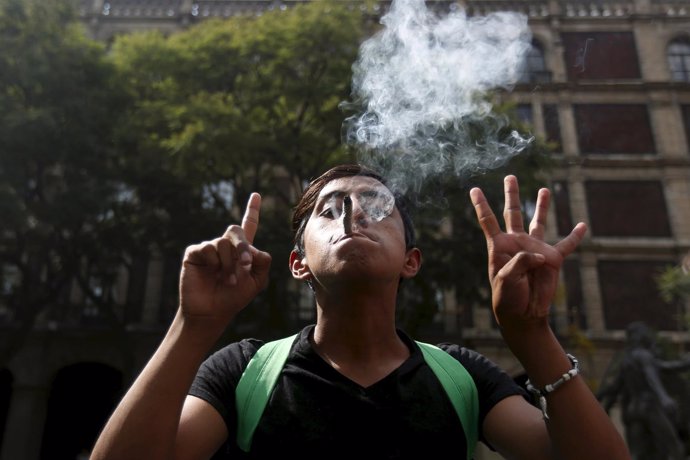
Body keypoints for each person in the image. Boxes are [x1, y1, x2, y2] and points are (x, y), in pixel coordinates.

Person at [91, 164, 630, 459]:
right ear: (299, 264)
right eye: (330, 209)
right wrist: (194, 326)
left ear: (411, 261)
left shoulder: (462, 377)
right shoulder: (245, 372)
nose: (352, 213)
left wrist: (532, 334)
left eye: (376, 207)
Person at [597, 321, 690, 460]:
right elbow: (651, 377)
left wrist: (596, 398)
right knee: (673, 446)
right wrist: (664, 397)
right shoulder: (645, 356)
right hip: (649, 407)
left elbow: (614, 387)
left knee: (637, 454)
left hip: (633, 410)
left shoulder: (627, 361)